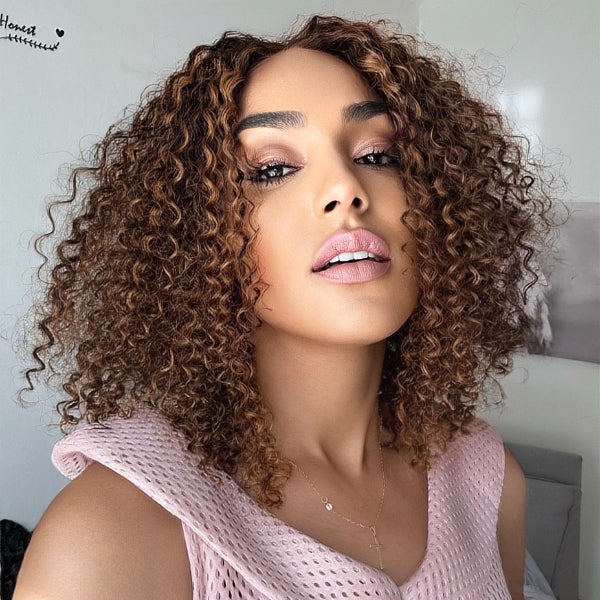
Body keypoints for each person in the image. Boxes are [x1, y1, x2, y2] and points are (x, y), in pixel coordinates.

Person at [14, 15, 555, 600]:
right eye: (272, 169)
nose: (346, 188)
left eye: (378, 155)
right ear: (197, 235)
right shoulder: (114, 532)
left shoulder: (486, 478)